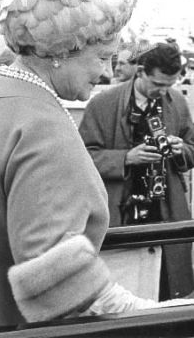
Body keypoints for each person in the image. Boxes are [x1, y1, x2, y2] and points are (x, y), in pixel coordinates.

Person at [0, 0, 192, 330]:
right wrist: (158, 314)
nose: (105, 72)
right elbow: (63, 289)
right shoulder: (43, 125)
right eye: (103, 57)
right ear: (64, 48)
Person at [79, 42, 194, 300]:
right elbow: (83, 157)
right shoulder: (103, 104)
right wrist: (126, 158)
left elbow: (191, 147)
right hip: (122, 214)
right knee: (122, 290)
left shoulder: (176, 101)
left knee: (168, 290)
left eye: (170, 85)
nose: (164, 92)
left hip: (166, 212)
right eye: (159, 84)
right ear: (140, 71)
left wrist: (180, 150)